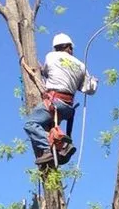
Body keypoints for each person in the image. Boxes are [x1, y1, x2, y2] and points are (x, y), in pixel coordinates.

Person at [23, 33, 98, 167]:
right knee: (49, 123)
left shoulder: (51, 56)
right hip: (68, 108)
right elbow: (89, 89)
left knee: (30, 124)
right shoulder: (80, 65)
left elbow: (46, 73)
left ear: (55, 48)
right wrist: (94, 82)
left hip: (53, 103)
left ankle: (59, 145)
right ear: (70, 48)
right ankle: (52, 147)